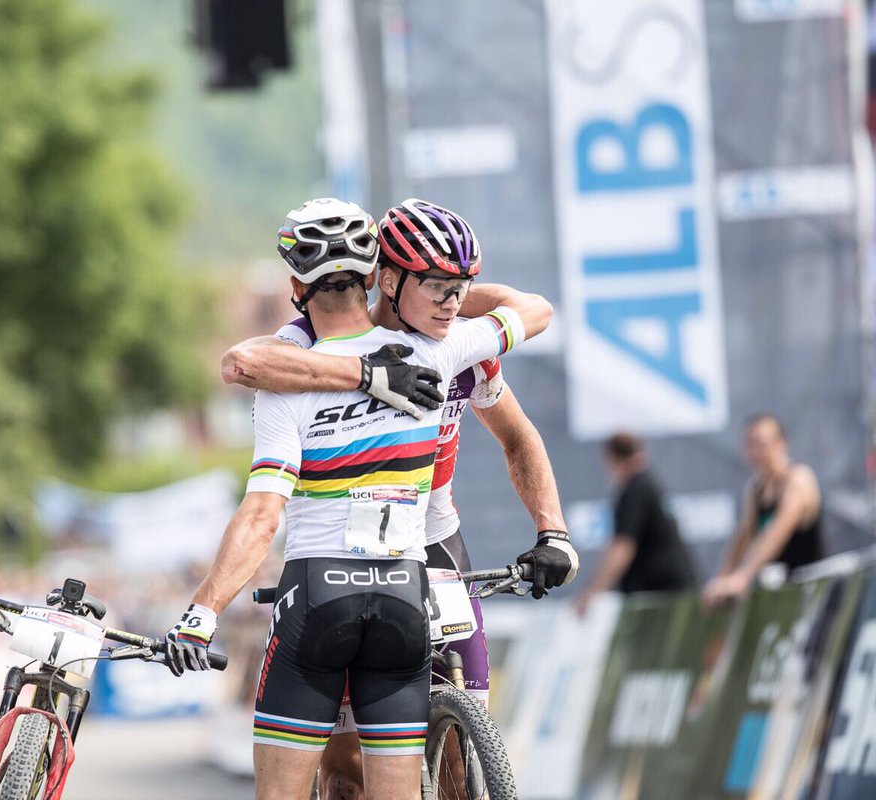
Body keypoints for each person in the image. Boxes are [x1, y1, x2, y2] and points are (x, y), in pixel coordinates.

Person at [163, 198, 574, 800]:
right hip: (398, 574)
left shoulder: (456, 342)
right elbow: (244, 361)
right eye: (435, 286)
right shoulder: (302, 353)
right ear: (383, 275)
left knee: (462, 748)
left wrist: (552, 531)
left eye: (459, 288)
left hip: (429, 542)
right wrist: (367, 372)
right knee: (350, 767)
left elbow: (519, 434)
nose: (450, 301)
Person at [702, 414, 824, 606]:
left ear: (781, 444)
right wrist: (721, 579)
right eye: (750, 445)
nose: (756, 453)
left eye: (761, 444)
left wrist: (741, 578)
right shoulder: (755, 489)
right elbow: (743, 537)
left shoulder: (798, 480)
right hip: (781, 596)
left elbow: (777, 531)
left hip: (811, 595)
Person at [574, 432, 696, 617]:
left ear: (612, 459)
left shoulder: (635, 490)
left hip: (662, 596)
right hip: (673, 590)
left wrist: (592, 592)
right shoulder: (647, 483)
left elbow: (622, 548)